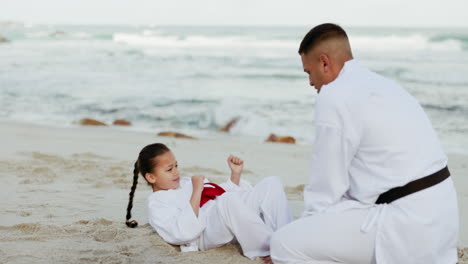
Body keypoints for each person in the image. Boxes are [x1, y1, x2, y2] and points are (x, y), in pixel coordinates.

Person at [270, 23, 459, 264]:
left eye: (308, 72)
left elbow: (325, 189)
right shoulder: (383, 85)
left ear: (324, 63)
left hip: (407, 226)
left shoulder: (334, 94)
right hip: (443, 222)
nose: (310, 82)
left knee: (283, 244)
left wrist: (307, 232)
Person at [125, 143, 292, 262]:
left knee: (272, 182)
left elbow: (217, 194)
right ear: (151, 177)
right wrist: (197, 190)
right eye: (169, 169)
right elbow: (181, 233)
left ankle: (286, 240)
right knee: (228, 201)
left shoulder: (184, 182)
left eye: (176, 166)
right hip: (203, 233)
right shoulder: (157, 204)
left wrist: (235, 176)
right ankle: (265, 250)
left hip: (222, 213)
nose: (176, 172)